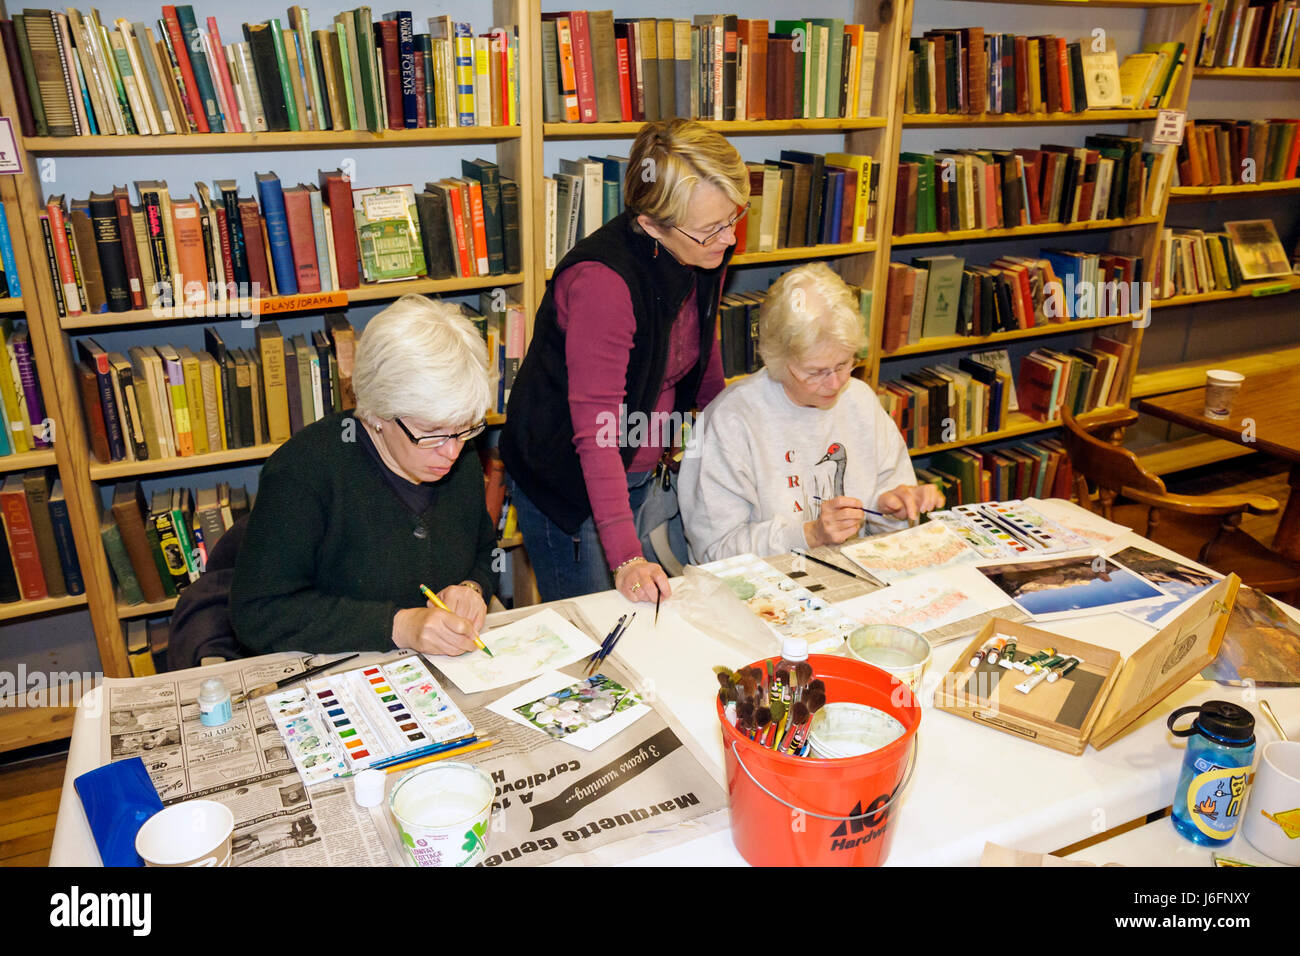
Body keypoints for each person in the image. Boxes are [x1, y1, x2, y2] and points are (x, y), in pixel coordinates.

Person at [501, 118, 750, 604]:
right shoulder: (604, 284)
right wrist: (626, 557)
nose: (729, 240)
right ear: (653, 223)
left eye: (734, 218)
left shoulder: (701, 250)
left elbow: (703, 355)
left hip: (643, 458)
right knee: (598, 629)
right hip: (569, 481)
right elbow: (597, 432)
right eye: (710, 230)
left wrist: (734, 441)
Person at [230, 295, 497, 656]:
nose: (452, 451)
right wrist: (398, 626)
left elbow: (485, 550)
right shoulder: (303, 473)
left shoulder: (459, 454)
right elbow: (258, 612)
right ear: (377, 413)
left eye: (465, 428)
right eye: (431, 432)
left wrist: (472, 587)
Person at [679, 262, 945, 563]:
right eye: (816, 372)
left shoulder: (860, 401)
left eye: (844, 364)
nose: (835, 383)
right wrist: (809, 535)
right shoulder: (731, 421)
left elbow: (889, 530)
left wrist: (892, 509)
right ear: (777, 360)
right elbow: (714, 551)